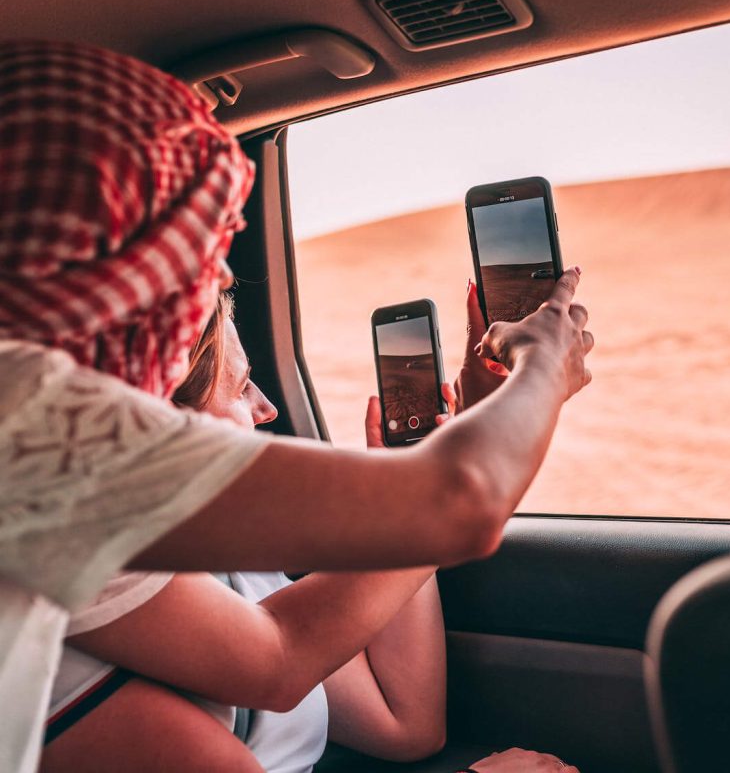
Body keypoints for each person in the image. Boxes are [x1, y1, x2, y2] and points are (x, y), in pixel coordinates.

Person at [0, 40, 593, 773]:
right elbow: (459, 502)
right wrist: (544, 366)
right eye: (188, 249)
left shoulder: (149, 540)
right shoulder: (27, 423)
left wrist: (451, 442)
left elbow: (399, 721)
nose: (214, 272)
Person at [43, 292, 581, 773]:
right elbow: (279, 659)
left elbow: (403, 723)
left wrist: (409, 492)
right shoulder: (63, 562)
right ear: (163, 421)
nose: (267, 408)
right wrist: (542, 371)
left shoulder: (228, 566)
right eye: (238, 386)